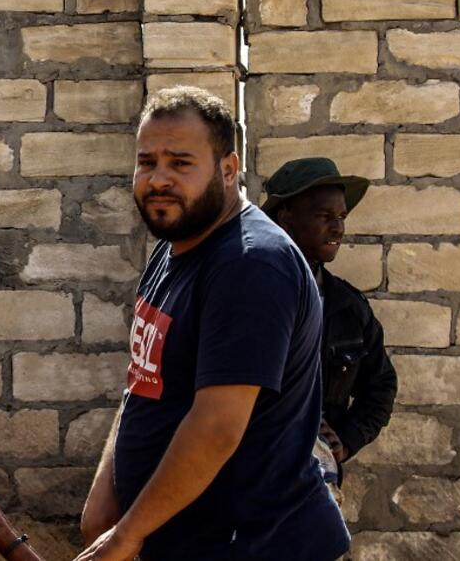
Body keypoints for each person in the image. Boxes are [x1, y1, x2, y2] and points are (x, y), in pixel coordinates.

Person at [77, 87, 350, 561]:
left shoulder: (251, 265)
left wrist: (126, 534)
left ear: (228, 169)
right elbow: (144, 382)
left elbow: (217, 426)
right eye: (147, 162)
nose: (159, 179)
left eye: (180, 163)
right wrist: (105, 506)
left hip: (256, 545)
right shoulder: (175, 245)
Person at [263, 158, 397, 473]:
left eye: (341, 217)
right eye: (324, 216)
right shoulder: (251, 295)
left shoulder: (348, 307)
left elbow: (381, 385)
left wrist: (346, 441)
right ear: (286, 218)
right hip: (251, 479)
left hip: (316, 483)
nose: (337, 227)